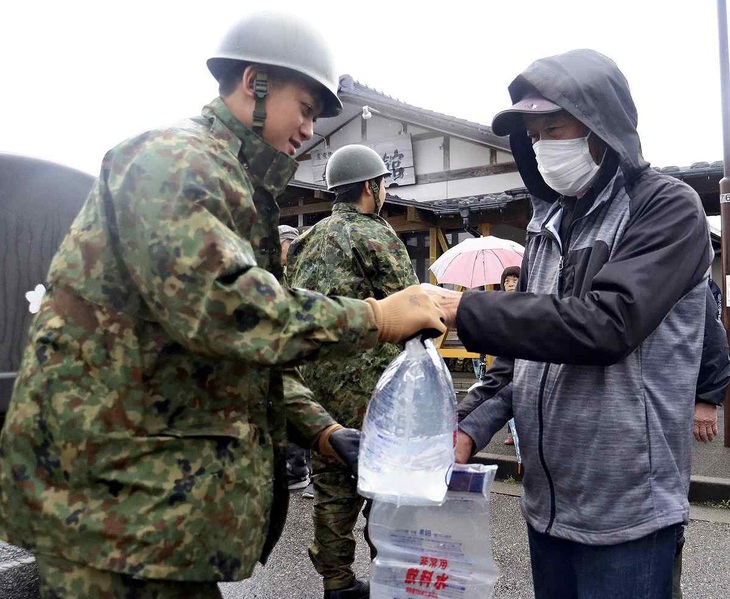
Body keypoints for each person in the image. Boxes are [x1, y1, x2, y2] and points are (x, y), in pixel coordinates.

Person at [0, 13, 445, 598]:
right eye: (305, 108)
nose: (309, 129)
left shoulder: (229, 180)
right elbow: (228, 312)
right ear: (253, 84)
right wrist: (378, 316)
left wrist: (321, 431)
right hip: (112, 511)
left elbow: (236, 356)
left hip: (147, 511)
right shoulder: (176, 161)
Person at [425, 49, 712, 598]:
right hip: (547, 506)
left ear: (603, 128)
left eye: (553, 128)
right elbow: (515, 361)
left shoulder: (664, 208)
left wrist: (463, 310)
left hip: (628, 516)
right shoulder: (547, 225)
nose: (542, 147)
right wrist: (465, 429)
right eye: (532, 136)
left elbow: (608, 324)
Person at [288, 144, 420, 599]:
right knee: (385, 487)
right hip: (373, 389)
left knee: (330, 487)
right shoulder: (375, 234)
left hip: (314, 391)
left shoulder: (305, 240)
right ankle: (388, 574)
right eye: (383, 183)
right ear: (370, 187)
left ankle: (338, 582)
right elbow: (410, 304)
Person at [672, 282, 730, 599]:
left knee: (665, 520)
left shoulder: (684, 266)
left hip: (669, 406)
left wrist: (707, 399)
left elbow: (713, 337)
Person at [499, 265, 520, 445]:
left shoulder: (527, 301)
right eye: (507, 281)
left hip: (523, 356)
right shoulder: (501, 304)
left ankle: (521, 433)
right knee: (506, 392)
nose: (511, 284)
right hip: (506, 353)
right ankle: (512, 433)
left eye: (515, 280)